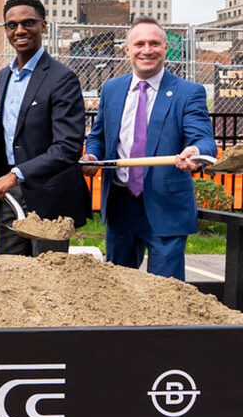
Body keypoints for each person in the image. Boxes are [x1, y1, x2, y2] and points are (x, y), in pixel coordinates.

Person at [0, 0, 89, 256]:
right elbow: (11, 123)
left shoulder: (61, 79)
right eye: (12, 25)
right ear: (6, 30)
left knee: (47, 276)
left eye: (28, 23)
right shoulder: (6, 75)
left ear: (43, 26)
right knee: (10, 272)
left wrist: (15, 175)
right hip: (10, 193)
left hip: (48, 196)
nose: (20, 30)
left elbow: (67, 146)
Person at [81, 18, 216, 280]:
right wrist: (93, 155)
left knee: (166, 294)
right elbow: (99, 136)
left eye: (154, 44)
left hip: (167, 206)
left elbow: (204, 139)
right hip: (121, 205)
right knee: (118, 289)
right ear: (127, 50)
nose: (147, 50)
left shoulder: (188, 93)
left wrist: (195, 153)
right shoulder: (112, 89)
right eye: (139, 43)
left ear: (165, 48)